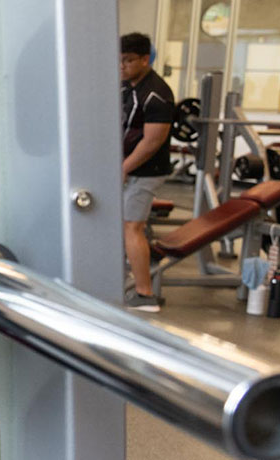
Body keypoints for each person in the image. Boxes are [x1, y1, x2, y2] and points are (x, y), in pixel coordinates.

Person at [119, 32, 174, 312]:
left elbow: (153, 142)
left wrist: (124, 168)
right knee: (117, 226)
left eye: (128, 61)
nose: (122, 66)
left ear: (145, 59)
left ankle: (145, 294)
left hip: (145, 171)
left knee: (132, 227)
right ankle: (123, 281)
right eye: (119, 61)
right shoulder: (127, 87)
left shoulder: (157, 93)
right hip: (127, 168)